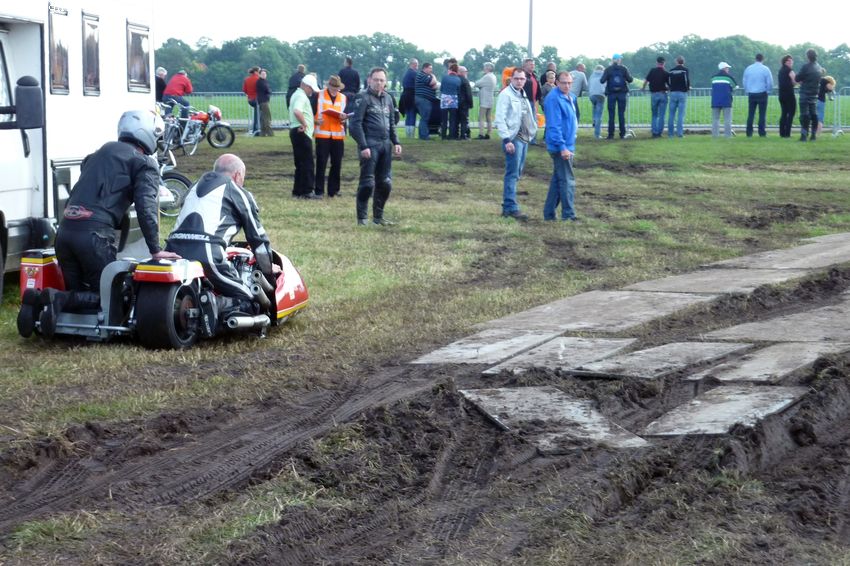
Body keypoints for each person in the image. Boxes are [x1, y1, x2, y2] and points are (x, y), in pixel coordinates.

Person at [38, 110, 180, 336]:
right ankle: (56, 298)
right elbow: (146, 207)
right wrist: (156, 250)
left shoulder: (96, 155)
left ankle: (37, 300)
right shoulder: (144, 163)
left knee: (80, 291)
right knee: (112, 296)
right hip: (94, 235)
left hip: (65, 232)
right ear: (148, 133)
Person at [165, 154, 275, 316]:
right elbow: (258, 241)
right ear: (238, 175)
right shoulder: (237, 191)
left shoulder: (192, 187)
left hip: (172, 250)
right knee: (251, 301)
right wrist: (268, 273)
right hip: (207, 254)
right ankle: (210, 305)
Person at [349, 67, 402, 226]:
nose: (379, 83)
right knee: (367, 183)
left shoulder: (388, 99)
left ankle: (378, 218)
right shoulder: (362, 98)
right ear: (369, 80)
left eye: (382, 80)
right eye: (376, 79)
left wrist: (396, 142)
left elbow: (392, 123)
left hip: (385, 145)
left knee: (385, 182)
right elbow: (355, 124)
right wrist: (363, 145)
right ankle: (362, 219)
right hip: (370, 144)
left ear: (385, 82)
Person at [494, 68, 537, 221]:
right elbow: (500, 118)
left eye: (522, 79)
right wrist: (506, 140)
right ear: (511, 79)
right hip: (513, 138)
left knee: (517, 172)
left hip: (524, 138)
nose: (520, 81)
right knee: (512, 173)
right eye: (517, 78)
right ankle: (510, 207)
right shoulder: (506, 95)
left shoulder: (521, 94)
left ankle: (508, 206)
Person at [543, 71, 578, 222]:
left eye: (569, 83)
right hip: (560, 146)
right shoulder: (553, 99)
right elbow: (554, 126)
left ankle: (549, 214)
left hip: (567, 144)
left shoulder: (570, 97)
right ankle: (568, 215)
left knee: (558, 180)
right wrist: (563, 147)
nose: (567, 85)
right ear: (556, 82)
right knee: (567, 180)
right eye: (564, 82)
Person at [314, 75, 348, 198]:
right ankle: (319, 191)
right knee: (321, 163)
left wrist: (344, 119)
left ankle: (334, 190)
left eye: (337, 88)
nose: (335, 90)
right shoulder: (319, 95)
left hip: (338, 134)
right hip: (323, 133)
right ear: (328, 86)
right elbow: (313, 111)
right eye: (333, 87)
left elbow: (344, 113)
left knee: (337, 163)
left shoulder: (343, 98)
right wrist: (314, 121)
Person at [289, 74, 320, 198]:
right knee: (307, 163)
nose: (312, 91)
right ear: (306, 86)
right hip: (302, 132)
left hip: (296, 131)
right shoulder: (301, 96)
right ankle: (307, 191)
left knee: (300, 163)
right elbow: (297, 111)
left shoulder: (296, 94)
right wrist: (304, 123)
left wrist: (313, 122)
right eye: (311, 88)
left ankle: (298, 191)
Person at [599, 54, 633, 139]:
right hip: (622, 94)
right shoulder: (624, 68)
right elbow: (630, 79)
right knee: (621, 114)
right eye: (620, 59)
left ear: (612, 60)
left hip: (611, 94)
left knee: (611, 115)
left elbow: (602, 80)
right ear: (619, 60)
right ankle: (622, 134)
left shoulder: (608, 69)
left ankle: (611, 135)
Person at [742, 54, 773, 137]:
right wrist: (768, 90)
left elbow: (744, 81)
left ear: (755, 59)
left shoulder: (748, 68)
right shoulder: (765, 69)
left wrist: (747, 90)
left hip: (751, 93)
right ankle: (762, 132)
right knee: (762, 114)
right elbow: (770, 82)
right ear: (763, 59)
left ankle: (749, 132)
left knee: (751, 114)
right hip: (762, 93)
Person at [795, 49, 822, 142]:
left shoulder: (805, 67)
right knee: (814, 115)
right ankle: (813, 135)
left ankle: (804, 135)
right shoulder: (819, 67)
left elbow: (797, 78)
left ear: (808, 56)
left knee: (804, 115)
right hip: (814, 94)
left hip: (805, 93)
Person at [642, 56, 669, 138]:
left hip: (654, 94)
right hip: (663, 94)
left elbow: (646, 81)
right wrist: (667, 89)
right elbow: (669, 85)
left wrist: (643, 88)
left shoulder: (652, 71)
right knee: (662, 115)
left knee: (654, 115)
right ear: (664, 63)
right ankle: (659, 133)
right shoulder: (666, 73)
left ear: (656, 62)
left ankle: (654, 132)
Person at [711, 62, 736, 138]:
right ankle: (728, 136)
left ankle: (715, 135)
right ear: (724, 68)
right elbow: (735, 86)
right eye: (727, 68)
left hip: (715, 100)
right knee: (727, 119)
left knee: (715, 119)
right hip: (726, 100)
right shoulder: (729, 77)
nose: (728, 69)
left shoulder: (713, 78)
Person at [667, 56, 690, 138]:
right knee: (680, 114)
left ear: (676, 62)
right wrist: (688, 88)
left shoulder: (671, 71)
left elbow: (669, 81)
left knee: (671, 114)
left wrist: (671, 88)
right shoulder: (685, 70)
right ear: (683, 62)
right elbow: (686, 80)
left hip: (673, 93)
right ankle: (680, 134)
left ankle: (670, 134)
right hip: (682, 93)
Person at [414, 62, 438, 140]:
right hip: (423, 99)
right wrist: (433, 76)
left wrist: (433, 82)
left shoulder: (426, 76)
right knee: (425, 117)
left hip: (425, 99)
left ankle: (423, 135)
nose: (431, 70)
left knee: (425, 117)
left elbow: (435, 86)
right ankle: (424, 136)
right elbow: (432, 82)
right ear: (425, 68)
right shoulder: (422, 75)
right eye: (430, 68)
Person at [520, 58, 542, 144]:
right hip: (525, 101)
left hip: (533, 101)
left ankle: (532, 139)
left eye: (533, 64)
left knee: (533, 121)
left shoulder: (533, 75)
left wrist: (539, 98)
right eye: (530, 64)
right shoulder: (522, 76)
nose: (533, 65)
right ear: (524, 66)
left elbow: (537, 87)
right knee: (525, 121)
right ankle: (524, 138)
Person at [474, 62, 497, 139]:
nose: (483, 68)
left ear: (488, 68)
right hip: (490, 99)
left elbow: (477, 83)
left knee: (481, 117)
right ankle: (489, 133)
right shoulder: (493, 76)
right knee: (488, 117)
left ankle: (481, 134)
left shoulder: (487, 77)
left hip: (484, 100)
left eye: (485, 67)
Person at [440, 63, 462, 140]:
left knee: (444, 119)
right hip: (454, 99)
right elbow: (458, 91)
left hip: (444, 98)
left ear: (450, 69)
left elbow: (441, 88)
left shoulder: (445, 77)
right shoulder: (458, 79)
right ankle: (451, 135)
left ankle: (443, 135)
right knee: (453, 119)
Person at [777, 54, 797, 138]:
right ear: (786, 62)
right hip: (789, 94)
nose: (791, 62)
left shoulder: (780, 70)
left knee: (784, 113)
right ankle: (787, 133)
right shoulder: (790, 70)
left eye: (791, 60)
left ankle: (782, 132)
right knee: (791, 113)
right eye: (789, 61)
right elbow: (795, 80)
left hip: (781, 94)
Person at [400, 58, 419, 137]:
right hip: (411, 96)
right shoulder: (414, 73)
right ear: (413, 64)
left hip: (405, 96)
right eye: (417, 64)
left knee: (408, 115)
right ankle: (411, 135)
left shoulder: (406, 73)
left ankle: (408, 134)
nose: (418, 66)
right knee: (412, 114)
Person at [587, 64, 605, 139]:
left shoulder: (592, 75)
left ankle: (594, 120)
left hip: (592, 95)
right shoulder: (603, 74)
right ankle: (597, 135)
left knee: (594, 108)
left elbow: (588, 85)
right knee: (599, 115)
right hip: (600, 95)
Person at [242, 66, 261, 136]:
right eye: (259, 71)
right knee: (258, 115)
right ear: (256, 72)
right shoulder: (258, 79)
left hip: (250, 100)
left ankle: (255, 129)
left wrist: (250, 94)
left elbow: (244, 90)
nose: (260, 73)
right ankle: (256, 130)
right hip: (257, 99)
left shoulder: (247, 79)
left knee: (256, 114)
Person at [457, 66, 474, 140]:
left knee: (456, 120)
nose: (467, 73)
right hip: (464, 103)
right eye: (466, 71)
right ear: (462, 72)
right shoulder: (465, 80)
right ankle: (463, 135)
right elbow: (468, 93)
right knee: (464, 120)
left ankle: (455, 134)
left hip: (456, 103)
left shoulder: (455, 79)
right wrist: (471, 104)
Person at [256, 68, 273, 136]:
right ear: (259, 74)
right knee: (267, 117)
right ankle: (269, 133)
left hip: (262, 101)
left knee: (263, 117)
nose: (264, 75)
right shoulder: (261, 82)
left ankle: (263, 133)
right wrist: (270, 91)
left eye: (265, 74)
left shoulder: (262, 81)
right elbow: (267, 90)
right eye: (262, 74)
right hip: (264, 101)